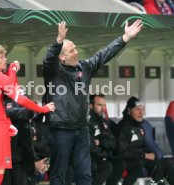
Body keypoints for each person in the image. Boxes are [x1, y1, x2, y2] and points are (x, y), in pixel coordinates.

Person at [42, 20, 142, 185]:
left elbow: (105, 53)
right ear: (62, 57)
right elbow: (49, 60)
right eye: (71, 50)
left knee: (85, 174)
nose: (76, 52)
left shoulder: (85, 67)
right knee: (59, 174)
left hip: (81, 129)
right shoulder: (54, 72)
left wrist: (125, 38)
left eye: (75, 48)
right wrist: (58, 41)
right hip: (60, 130)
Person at [0, 43, 55, 185]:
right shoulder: (0, 78)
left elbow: (5, 83)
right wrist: (43, 109)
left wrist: (12, 71)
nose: (5, 59)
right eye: (1, 57)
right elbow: (20, 99)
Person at [117, 96, 165, 185]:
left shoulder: (138, 126)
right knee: (140, 164)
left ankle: (159, 181)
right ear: (129, 111)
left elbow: (140, 146)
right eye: (137, 109)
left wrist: (150, 153)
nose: (141, 112)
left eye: (142, 109)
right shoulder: (123, 127)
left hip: (138, 157)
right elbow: (122, 152)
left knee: (165, 165)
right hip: (127, 160)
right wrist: (144, 155)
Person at [88, 94, 116, 185]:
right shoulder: (86, 122)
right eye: (99, 105)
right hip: (91, 158)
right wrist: (104, 149)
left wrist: (100, 142)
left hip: (103, 156)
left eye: (104, 105)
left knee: (120, 163)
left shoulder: (104, 122)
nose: (103, 108)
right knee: (107, 166)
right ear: (91, 106)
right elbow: (90, 146)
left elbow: (114, 143)